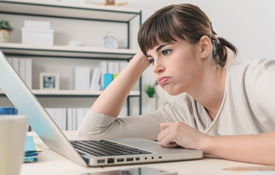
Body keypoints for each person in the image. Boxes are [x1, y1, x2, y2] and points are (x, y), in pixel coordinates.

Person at [78, 3, 275, 165]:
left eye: (165, 52)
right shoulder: (181, 112)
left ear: (204, 47)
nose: (155, 68)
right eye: (151, 59)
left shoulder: (256, 77)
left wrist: (203, 142)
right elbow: (93, 133)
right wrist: (140, 59)